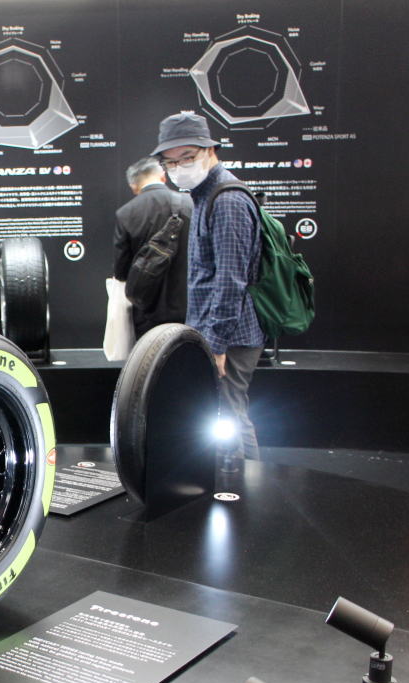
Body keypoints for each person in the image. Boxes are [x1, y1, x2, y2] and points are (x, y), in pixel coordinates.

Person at [153, 112, 263, 465]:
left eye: (187, 157)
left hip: (230, 337)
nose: (179, 167)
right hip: (216, 333)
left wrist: (216, 346)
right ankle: (233, 481)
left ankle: (249, 486)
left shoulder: (227, 200)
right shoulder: (203, 195)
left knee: (229, 418)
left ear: (210, 150)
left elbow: (231, 281)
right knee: (221, 416)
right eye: (171, 162)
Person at [112, 155, 192, 337]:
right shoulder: (190, 204)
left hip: (147, 310)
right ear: (163, 177)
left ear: (134, 186)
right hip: (190, 307)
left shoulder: (125, 213)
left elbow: (121, 271)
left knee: (151, 354)